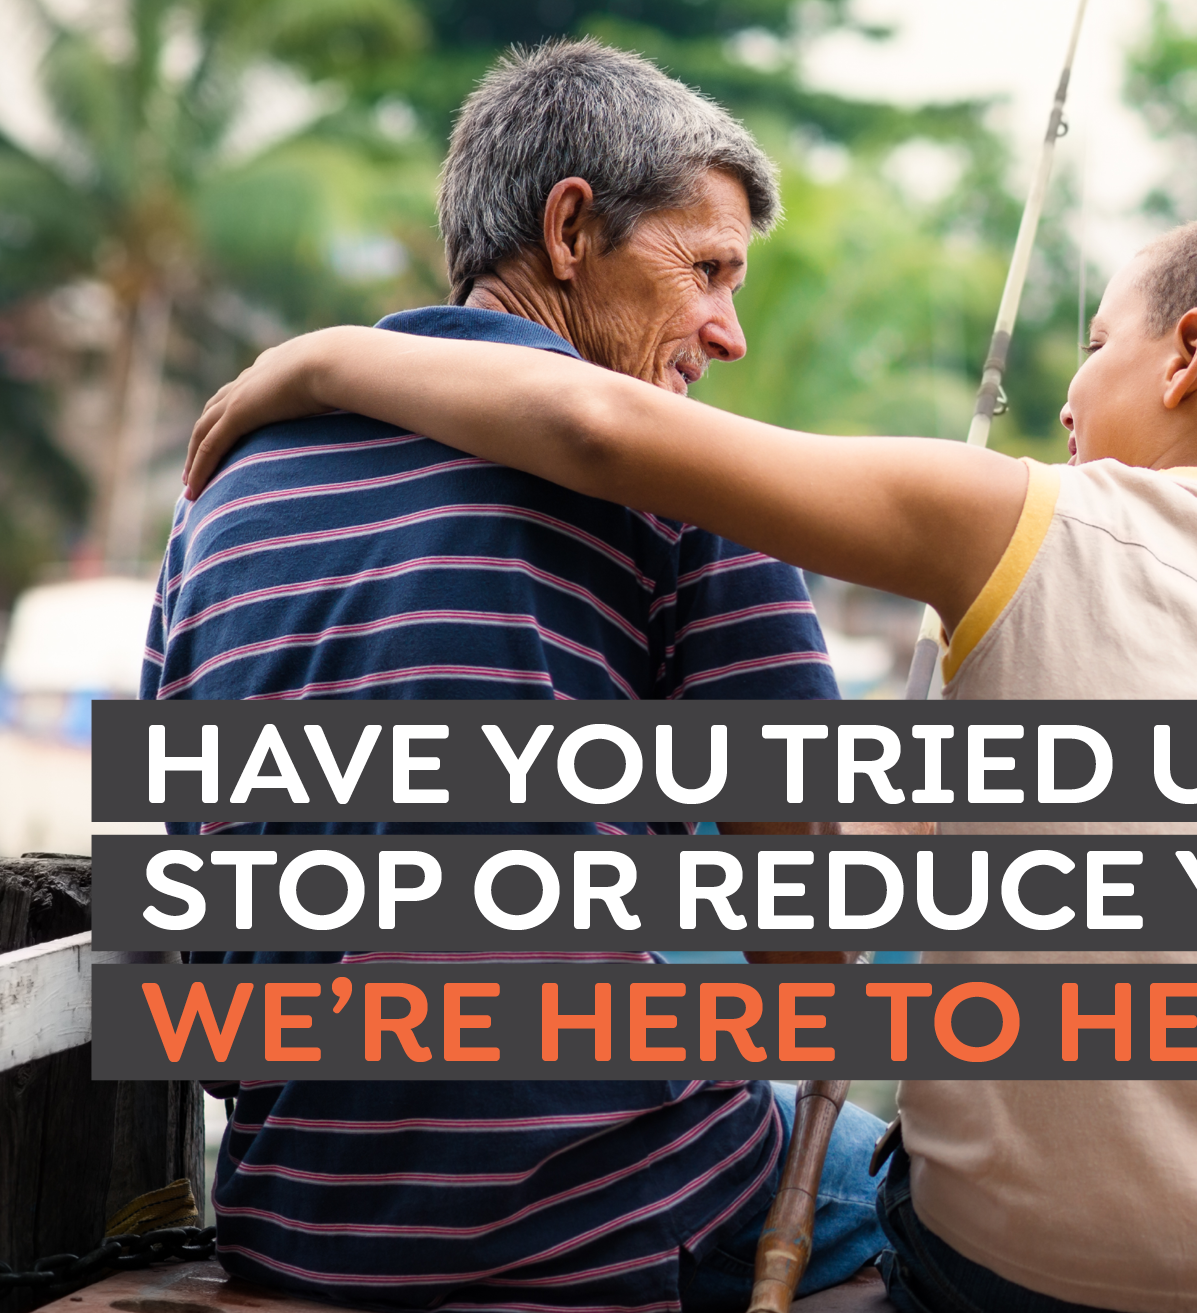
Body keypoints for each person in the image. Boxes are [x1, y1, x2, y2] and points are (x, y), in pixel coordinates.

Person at [185, 209, 1197, 1313]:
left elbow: (601, 427)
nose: (1064, 399)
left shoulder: (1007, 516)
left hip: (1001, 1276)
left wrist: (307, 363)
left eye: (1094, 347)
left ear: (1188, 353)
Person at [146, 40, 884, 1313]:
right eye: (704, 268)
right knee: (939, 1190)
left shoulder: (223, 487)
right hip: (614, 1222)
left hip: (296, 1216)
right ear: (569, 228)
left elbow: (189, 942)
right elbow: (808, 945)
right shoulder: (687, 474)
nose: (728, 328)